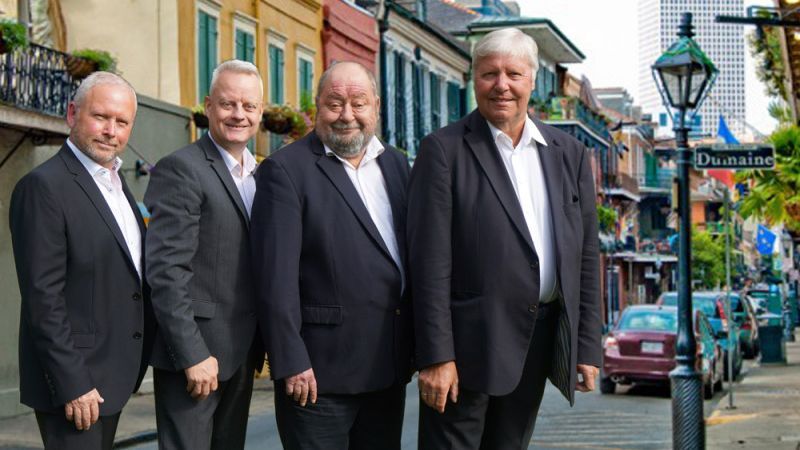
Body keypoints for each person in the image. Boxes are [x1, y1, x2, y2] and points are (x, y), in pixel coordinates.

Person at [407, 28, 602, 449]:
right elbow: (428, 264)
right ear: (473, 79)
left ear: (532, 80)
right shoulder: (443, 151)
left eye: (513, 74)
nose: (502, 85)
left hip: (537, 341)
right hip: (466, 349)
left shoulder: (568, 153)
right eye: (489, 74)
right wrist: (437, 356)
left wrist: (586, 347)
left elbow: (586, 255)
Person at [251, 61, 413, 449]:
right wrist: (290, 359)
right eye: (335, 103)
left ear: (376, 107)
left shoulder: (395, 164)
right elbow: (274, 280)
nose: (347, 115)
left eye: (358, 103)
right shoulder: (284, 170)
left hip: (387, 368)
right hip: (317, 376)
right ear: (317, 107)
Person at [9, 72, 153, 450]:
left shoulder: (117, 185)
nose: (111, 131)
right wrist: (73, 383)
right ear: (73, 114)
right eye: (100, 117)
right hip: (75, 384)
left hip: (113, 375)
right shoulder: (43, 187)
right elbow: (43, 299)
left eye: (122, 122)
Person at [144, 60, 264, 450]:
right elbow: (165, 271)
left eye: (249, 106)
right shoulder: (182, 169)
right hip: (195, 357)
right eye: (228, 104)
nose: (239, 114)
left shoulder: (260, 176)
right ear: (209, 106)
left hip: (241, 352)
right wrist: (192, 354)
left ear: (261, 112)